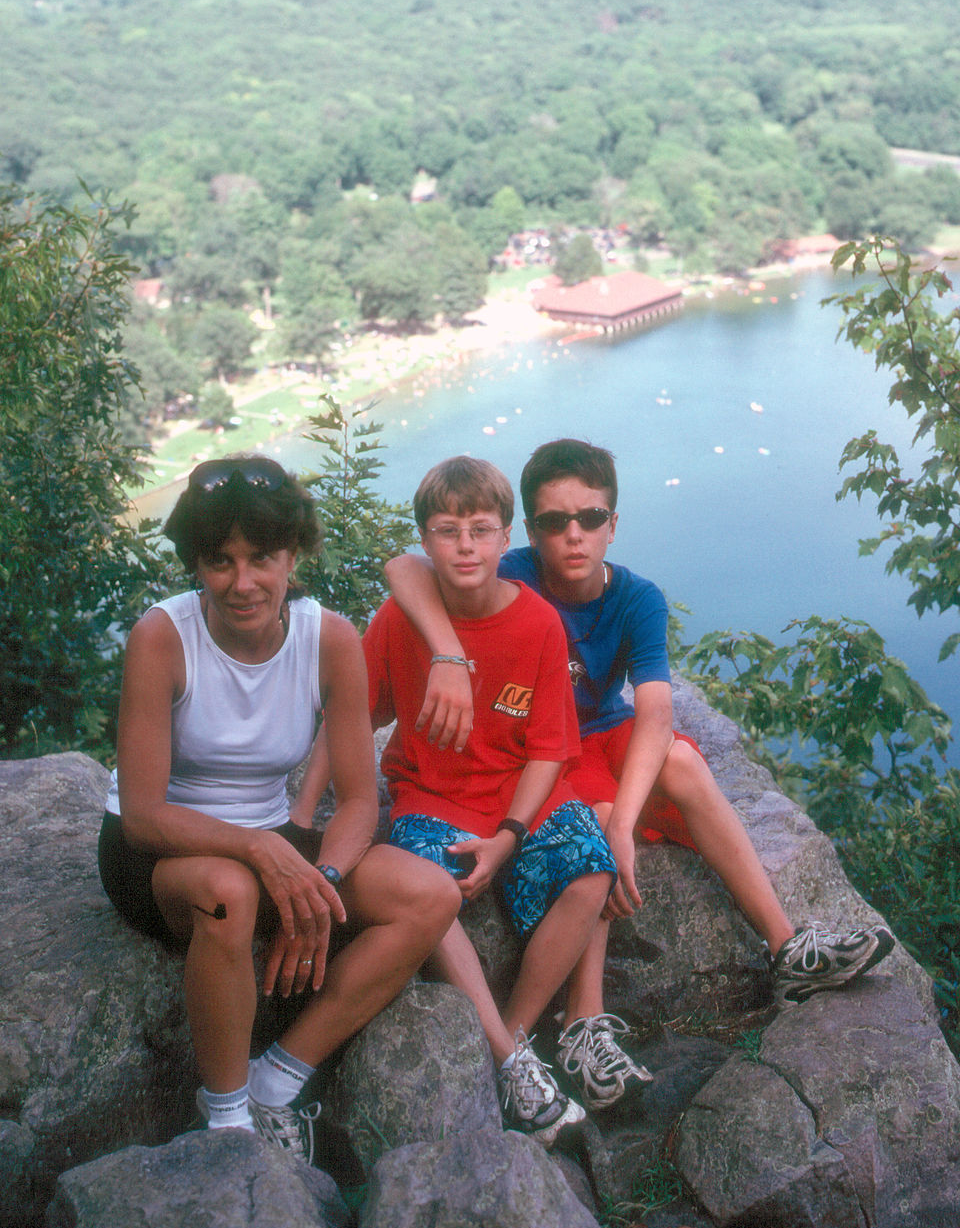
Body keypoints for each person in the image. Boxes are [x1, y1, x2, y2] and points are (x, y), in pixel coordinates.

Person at [385, 438, 894, 1114]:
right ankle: (582, 1020)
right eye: (553, 521)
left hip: (601, 734)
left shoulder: (636, 599)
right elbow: (406, 566)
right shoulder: (508, 572)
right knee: (588, 822)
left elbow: (655, 713)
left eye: (590, 518)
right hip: (544, 751)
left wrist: (627, 825)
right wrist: (448, 653)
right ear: (528, 531)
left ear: (613, 523)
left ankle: (788, 947)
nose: (573, 534)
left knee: (678, 762)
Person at [99, 455, 460, 1162]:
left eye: (261, 557)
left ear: (292, 554)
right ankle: (227, 1117)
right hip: (162, 852)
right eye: (219, 561)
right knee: (230, 892)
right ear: (196, 565)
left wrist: (318, 888)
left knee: (429, 894)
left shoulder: (328, 639)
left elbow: (358, 801)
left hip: (270, 839)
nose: (243, 583)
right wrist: (264, 852)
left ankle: (277, 1078)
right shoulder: (163, 637)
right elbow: (141, 811)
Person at [363, 455, 620, 1147]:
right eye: (448, 531)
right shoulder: (401, 618)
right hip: (433, 795)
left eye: (481, 529)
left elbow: (548, 748)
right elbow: (355, 712)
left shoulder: (537, 624)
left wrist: (509, 836)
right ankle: (510, 1065)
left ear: (508, 539)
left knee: (591, 869)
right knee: (427, 896)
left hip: (518, 796)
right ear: (427, 540)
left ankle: (516, 1032)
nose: (467, 546)